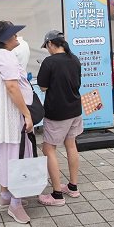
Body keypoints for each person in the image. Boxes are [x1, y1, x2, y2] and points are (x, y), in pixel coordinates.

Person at [0, 21, 35, 224]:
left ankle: (5, 195)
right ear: (4, 39)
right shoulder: (6, 56)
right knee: (18, 156)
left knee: (5, 154)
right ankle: (15, 203)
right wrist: (26, 114)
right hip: (12, 116)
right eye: (13, 35)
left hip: (2, 116)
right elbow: (12, 87)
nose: (17, 38)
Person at [35, 30, 83, 206]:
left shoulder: (49, 62)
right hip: (75, 109)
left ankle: (56, 195)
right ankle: (72, 186)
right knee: (71, 145)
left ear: (50, 44)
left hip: (57, 113)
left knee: (49, 149)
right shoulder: (74, 59)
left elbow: (43, 86)